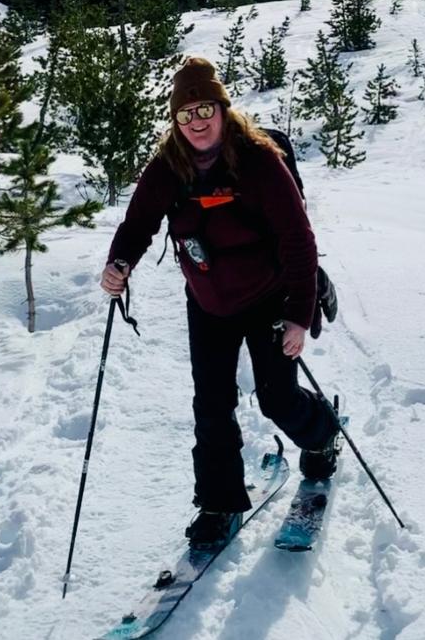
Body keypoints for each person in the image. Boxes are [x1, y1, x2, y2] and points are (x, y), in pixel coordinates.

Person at [100, 56, 339, 549]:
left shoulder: (258, 160)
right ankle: (218, 502)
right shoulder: (169, 166)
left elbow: (298, 240)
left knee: (276, 398)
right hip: (209, 300)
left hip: (267, 296)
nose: (196, 122)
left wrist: (298, 316)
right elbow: (139, 222)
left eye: (204, 108)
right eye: (185, 115)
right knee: (211, 405)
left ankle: (321, 434)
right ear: (175, 121)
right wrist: (119, 263)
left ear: (222, 108)